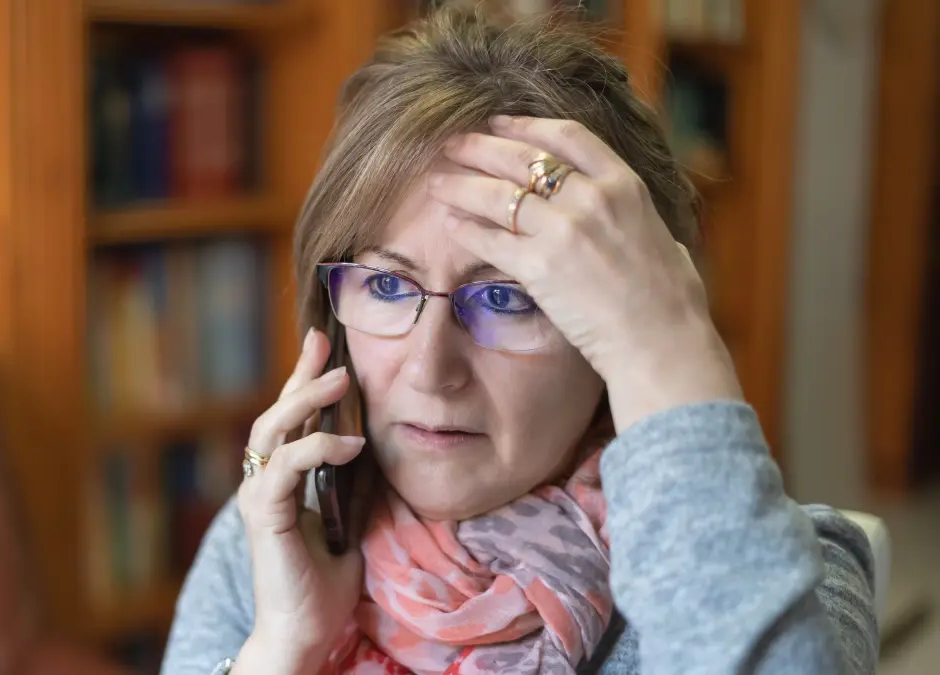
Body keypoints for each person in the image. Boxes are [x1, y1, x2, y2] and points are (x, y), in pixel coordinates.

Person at [159, 5, 878, 674]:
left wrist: (671, 352)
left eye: (506, 297)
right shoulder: (276, 535)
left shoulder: (788, 574)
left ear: (619, 333)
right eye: (387, 286)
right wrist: (281, 645)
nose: (430, 368)